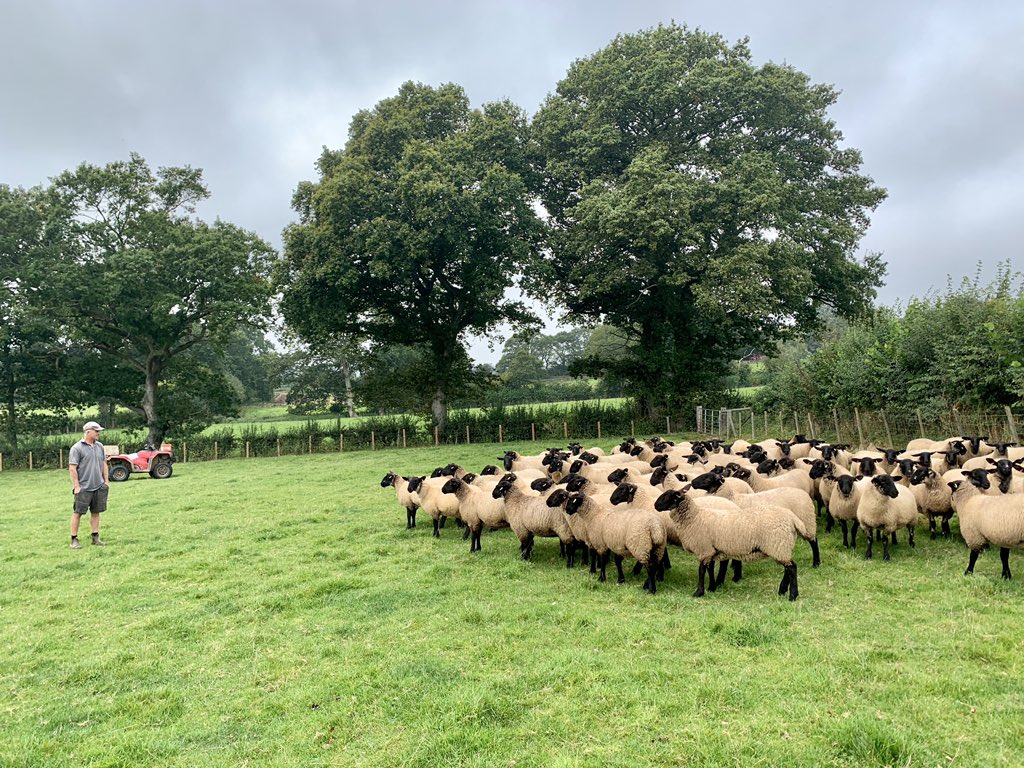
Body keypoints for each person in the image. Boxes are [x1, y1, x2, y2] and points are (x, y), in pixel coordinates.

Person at [68, 420, 109, 549]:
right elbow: (72, 468)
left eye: (99, 431)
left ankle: (95, 537)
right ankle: (74, 539)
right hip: (84, 488)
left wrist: (106, 481)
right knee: (78, 512)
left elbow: (103, 464)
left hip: (99, 486)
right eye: (96, 431)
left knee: (96, 512)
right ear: (88, 432)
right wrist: (77, 486)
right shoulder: (77, 448)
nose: (98, 433)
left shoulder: (100, 446)